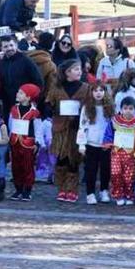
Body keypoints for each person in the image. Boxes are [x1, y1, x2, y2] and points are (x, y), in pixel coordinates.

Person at [46, 59, 90, 203]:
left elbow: (90, 106)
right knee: (61, 159)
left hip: (76, 129)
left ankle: (72, 189)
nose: (79, 71)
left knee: (74, 159)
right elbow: (48, 103)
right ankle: (61, 187)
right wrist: (54, 110)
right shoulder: (57, 87)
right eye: (76, 69)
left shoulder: (85, 88)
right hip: (60, 128)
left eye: (79, 69)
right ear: (67, 73)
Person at [102, 96, 135, 206]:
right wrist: (108, 143)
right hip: (116, 152)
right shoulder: (114, 121)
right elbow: (108, 134)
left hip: (130, 154)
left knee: (129, 176)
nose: (128, 111)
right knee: (116, 174)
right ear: (121, 109)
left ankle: (129, 195)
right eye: (125, 108)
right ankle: (118, 195)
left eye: (131, 108)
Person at [77, 81, 114, 205]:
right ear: (91, 92)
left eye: (101, 90)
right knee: (90, 170)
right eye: (95, 90)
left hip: (105, 144)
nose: (98, 93)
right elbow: (82, 126)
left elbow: (113, 125)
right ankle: (90, 193)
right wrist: (82, 144)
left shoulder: (109, 108)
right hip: (91, 143)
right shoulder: (86, 108)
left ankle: (104, 190)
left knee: (105, 169)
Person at [6, 84, 42, 201]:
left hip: (28, 143)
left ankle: (27, 189)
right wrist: (9, 138)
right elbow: (11, 124)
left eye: (21, 93)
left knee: (27, 166)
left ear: (28, 97)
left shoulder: (34, 113)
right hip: (15, 141)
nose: (17, 94)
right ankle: (18, 188)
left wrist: (38, 142)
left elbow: (38, 128)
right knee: (16, 166)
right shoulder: (14, 109)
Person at [0, 35, 44, 120]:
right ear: (1, 48)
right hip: (8, 104)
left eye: (11, 45)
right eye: (6, 46)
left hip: (25, 103)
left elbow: (38, 81)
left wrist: (34, 101)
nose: (9, 48)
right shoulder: (1, 63)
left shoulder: (26, 61)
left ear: (16, 45)